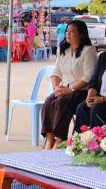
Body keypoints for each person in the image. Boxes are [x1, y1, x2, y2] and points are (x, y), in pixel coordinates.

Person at [41, 20, 97, 149]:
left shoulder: (89, 50)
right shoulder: (63, 49)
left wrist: (71, 89)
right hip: (64, 90)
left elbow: (88, 76)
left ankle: (59, 140)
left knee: (62, 102)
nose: (68, 34)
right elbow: (56, 72)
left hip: (82, 91)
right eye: (67, 31)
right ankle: (49, 139)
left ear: (81, 34)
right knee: (49, 101)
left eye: (72, 31)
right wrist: (56, 88)